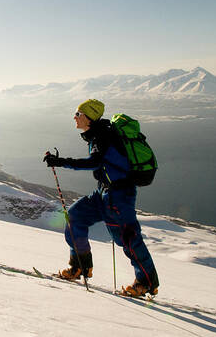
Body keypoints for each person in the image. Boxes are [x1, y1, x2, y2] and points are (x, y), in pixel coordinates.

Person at [43, 99, 159, 297]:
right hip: (105, 192)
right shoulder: (99, 134)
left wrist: (61, 162)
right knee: (75, 217)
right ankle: (80, 267)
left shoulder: (102, 136)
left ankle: (146, 283)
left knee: (129, 239)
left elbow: (94, 163)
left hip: (118, 196)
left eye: (78, 114)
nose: (75, 117)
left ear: (89, 117)